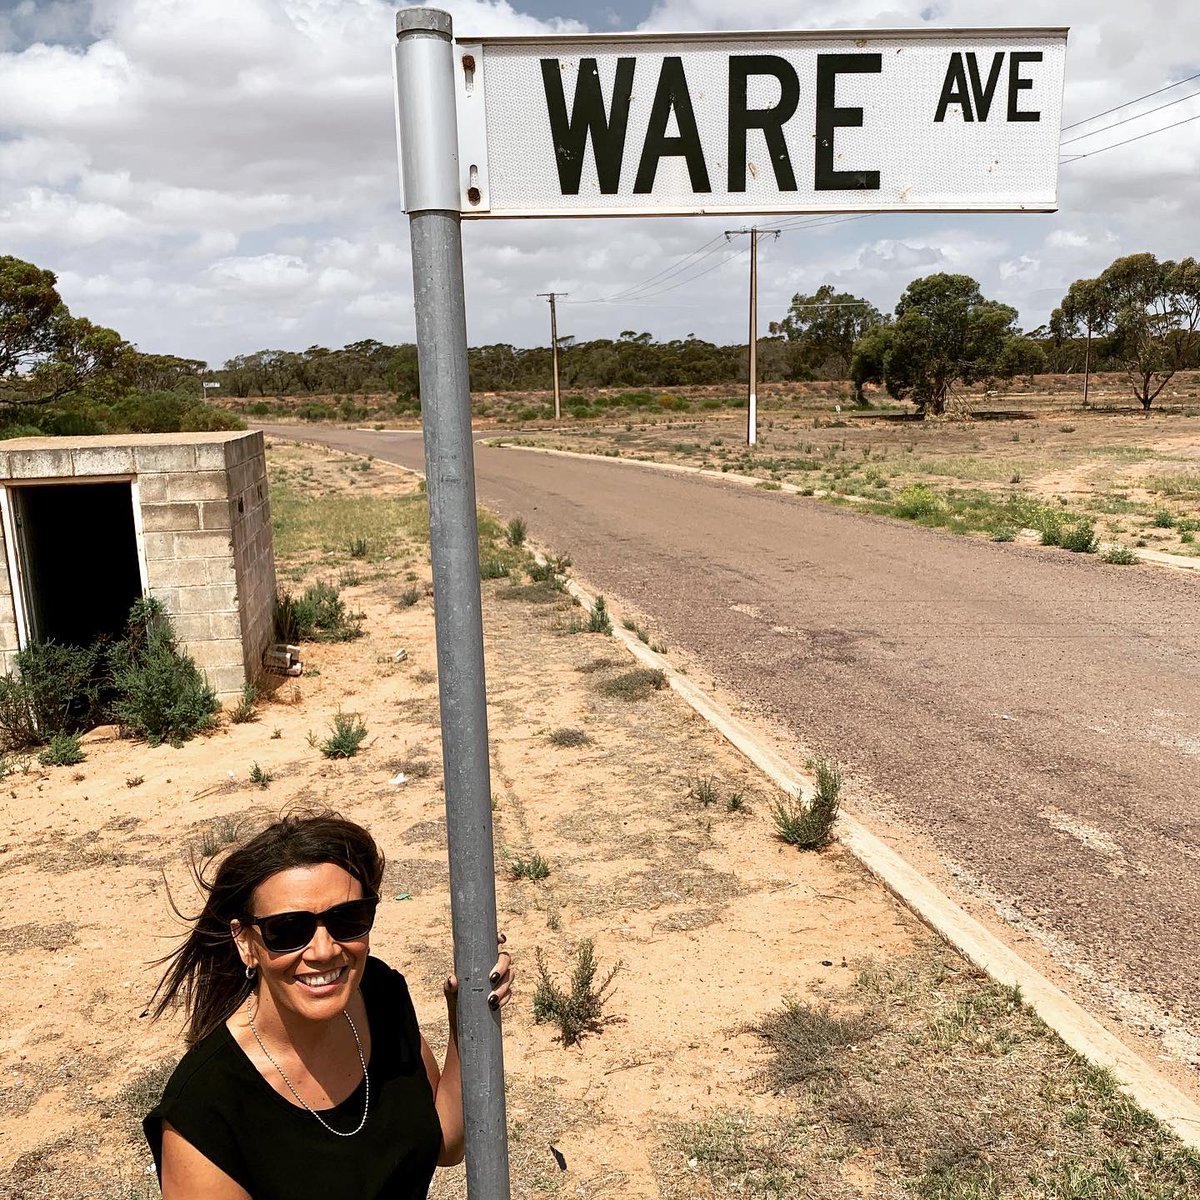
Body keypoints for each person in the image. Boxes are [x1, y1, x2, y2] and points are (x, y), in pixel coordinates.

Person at [143, 811, 512, 1199]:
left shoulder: (380, 994)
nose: (323, 951)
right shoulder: (206, 1111)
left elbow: (445, 1141)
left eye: (347, 918)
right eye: (287, 930)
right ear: (246, 942)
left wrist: (464, 1019)